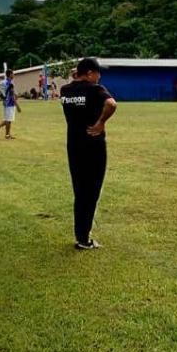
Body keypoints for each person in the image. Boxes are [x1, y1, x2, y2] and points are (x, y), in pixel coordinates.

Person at [61, 58, 117, 250]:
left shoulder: (65, 90)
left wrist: (77, 75)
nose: (99, 77)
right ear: (90, 73)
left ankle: (81, 234)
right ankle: (84, 238)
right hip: (93, 146)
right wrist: (101, 123)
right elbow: (111, 104)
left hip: (74, 146)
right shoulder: (95, 89)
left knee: (80, 190)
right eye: (97, 73)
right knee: (91, 191)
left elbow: (76, 83)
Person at [0, 70, 22, 139]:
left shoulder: (4, 82)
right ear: (10, 74)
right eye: (13, 74)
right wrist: (17, 106)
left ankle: (7, 135)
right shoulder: (10, 84)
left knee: (8, 119)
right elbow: (12, 96)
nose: (14, 75)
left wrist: (15, 94)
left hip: (5, 103)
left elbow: (6, 93)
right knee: (8, 120)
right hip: (10, 104)